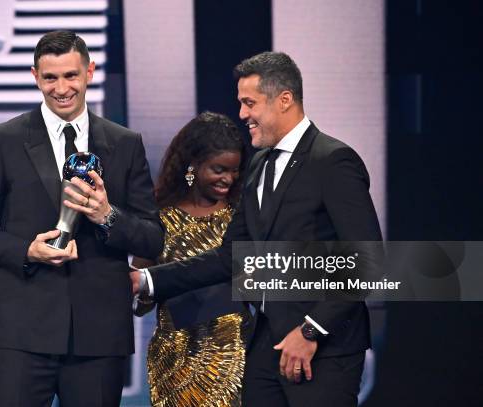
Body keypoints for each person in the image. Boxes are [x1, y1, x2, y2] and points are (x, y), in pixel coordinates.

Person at [131, 51, 382, 407]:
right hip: (266, 343)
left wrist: (311, 330)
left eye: (250, 103)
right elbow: (231, 257)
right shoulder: (259, 163)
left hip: (324, 351)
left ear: (284, 100)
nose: (242, 114)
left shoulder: (332, 161)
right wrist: (147, 280)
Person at [0, 30, 164, 406]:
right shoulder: (4, 140)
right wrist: (27, 250)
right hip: (22, 334)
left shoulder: (125, 143)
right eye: (50, 78)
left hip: (99, 336)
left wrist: (107, 215)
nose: (61, 88)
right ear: (35, 76)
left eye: (71, 75)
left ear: (89, 72)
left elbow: (152, 239)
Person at [133, 111, 250, 406]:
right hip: (174, 358)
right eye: (218, 169)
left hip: (232, 354)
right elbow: (138, 300)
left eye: (234, 171)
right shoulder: (160, 220)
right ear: (193, 166)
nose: (228, 179)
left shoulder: (242, 218)